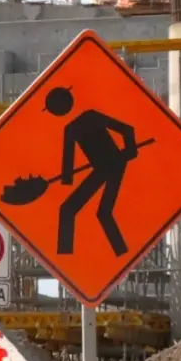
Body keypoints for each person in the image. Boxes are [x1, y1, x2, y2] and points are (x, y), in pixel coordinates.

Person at [48, 86, 138, 257]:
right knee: (70, 210)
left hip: (114, 164)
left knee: (100, 212)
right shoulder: (71, 129)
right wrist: (65, 181)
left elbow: (127, 129)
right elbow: (68, 167)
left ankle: (120, 253)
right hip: (102, 168)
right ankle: (68, 256)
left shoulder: (91, 117)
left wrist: (129, 152)